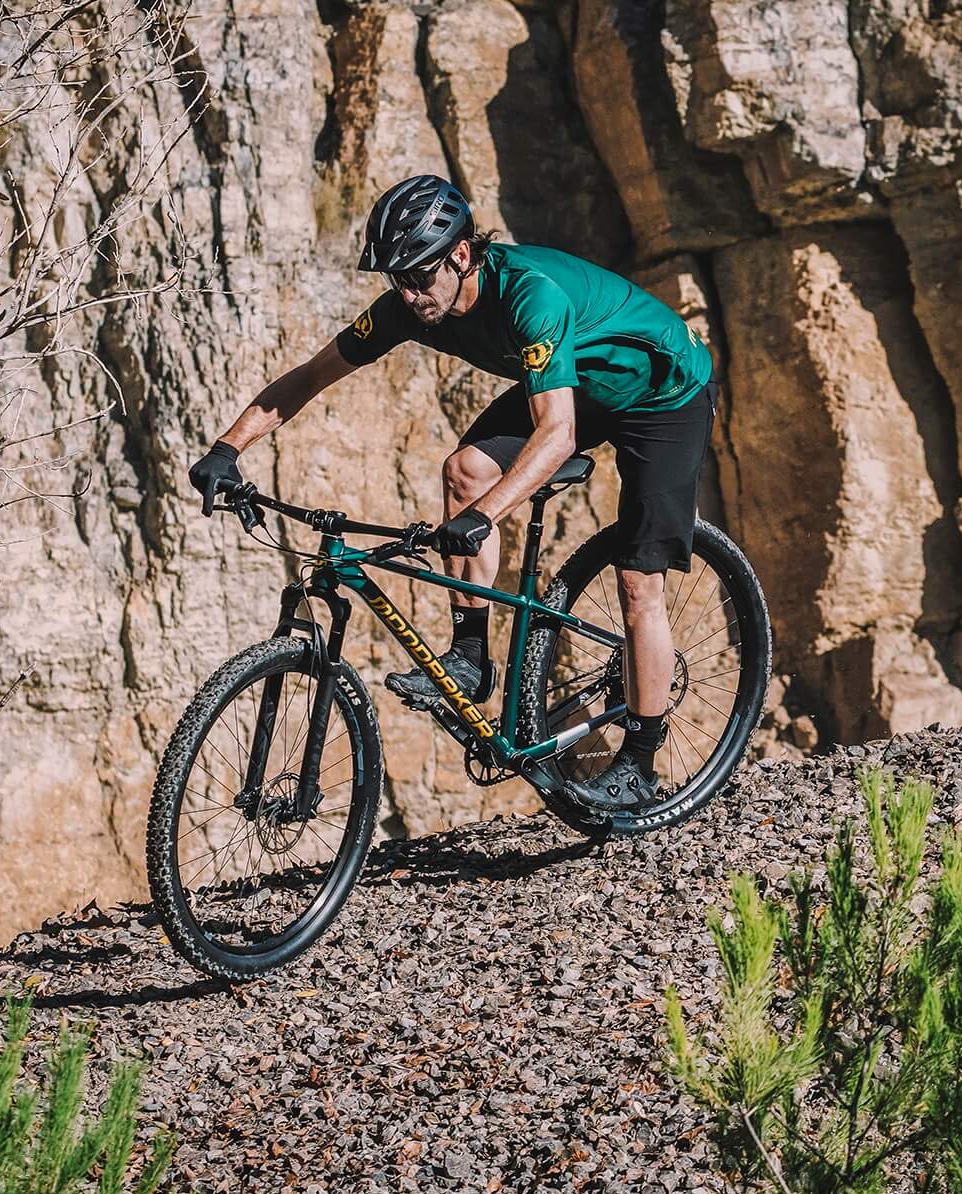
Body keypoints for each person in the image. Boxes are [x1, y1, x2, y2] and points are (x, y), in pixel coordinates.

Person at [187, 174, 716, 809]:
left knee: (639, 584)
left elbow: (556, 434)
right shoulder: (409, 307)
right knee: (465, 469)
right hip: (573, 389)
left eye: (415, 276)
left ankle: (639, 759)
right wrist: (227, 448)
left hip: (661, 394)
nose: (406, 294)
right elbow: (310, 376)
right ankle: (470, 656)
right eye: (395, 279)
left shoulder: (529, 297)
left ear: (460, 255)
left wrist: (486, 517)